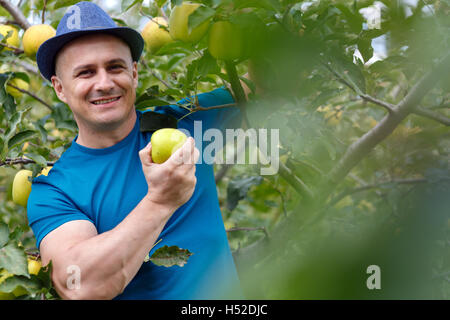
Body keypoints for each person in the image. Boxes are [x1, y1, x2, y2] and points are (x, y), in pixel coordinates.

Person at [27, 1, 245, 300]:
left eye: (114, 67)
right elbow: (80, 286)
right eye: (85, 73)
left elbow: (270, 85)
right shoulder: (53, 189)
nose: (104, 83)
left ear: (134, 73)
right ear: (59, 88)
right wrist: (160, 201)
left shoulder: (182, 121)